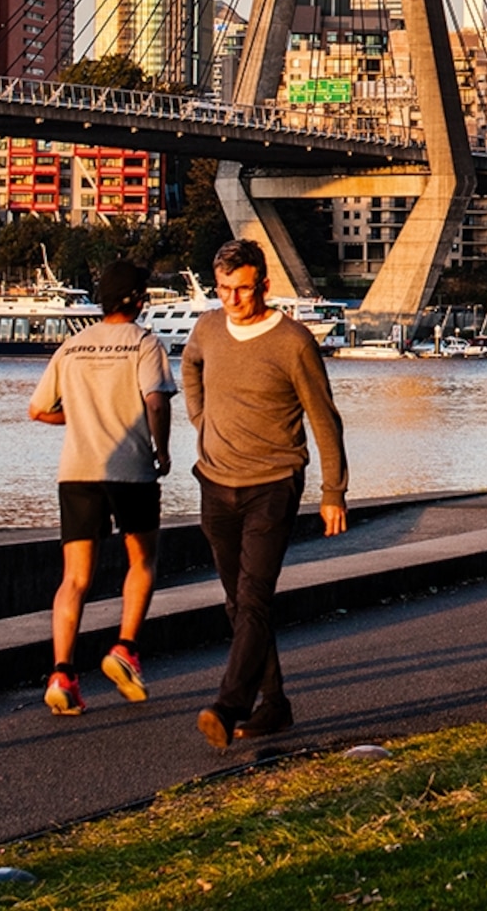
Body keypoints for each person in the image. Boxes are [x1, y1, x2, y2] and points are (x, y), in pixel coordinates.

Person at [181, 238, 348, 751]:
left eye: (243, 289)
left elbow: (324, 418)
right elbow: (189, 365)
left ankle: (229, 706)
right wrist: (201, 419)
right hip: (216, 482)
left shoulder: (293, 342)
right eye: (224, 289)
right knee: (240, 604)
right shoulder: (208, 327)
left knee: (254, 598)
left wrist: (333, 491)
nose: (233, 299)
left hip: (273, 485)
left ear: (265, 286)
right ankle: (274, 705)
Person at [28, 258, 177, 716]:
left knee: (74, 577)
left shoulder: (71, 347)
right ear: (137, 300)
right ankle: (125, 649)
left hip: (76, 471)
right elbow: (155, 401)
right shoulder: (144, 344)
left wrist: (82, 417)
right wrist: (162, 449)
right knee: (142, 559)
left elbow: (37, 410)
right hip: (130, 469)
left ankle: (62, 673)